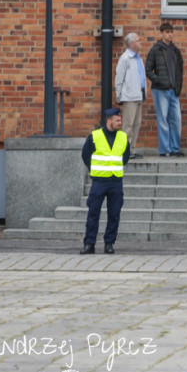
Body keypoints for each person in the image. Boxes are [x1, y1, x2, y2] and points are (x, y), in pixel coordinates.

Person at [80, 107, 131, 255]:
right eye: (117, 120)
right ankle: (89, 244)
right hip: (99, 181)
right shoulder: (95, 136)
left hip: (115, 181)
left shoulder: (122, 137)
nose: (120, 123)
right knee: (93, 213)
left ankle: (109, 243)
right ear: (109, 121)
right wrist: (94, 168)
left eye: (120, 120)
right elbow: (85, 154)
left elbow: (125, 156)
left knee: (114, 214)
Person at [145, 22, 184, 157]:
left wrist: (178, 86)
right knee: (163, 120)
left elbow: (179, 71)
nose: (170, 34)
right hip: (160, 90)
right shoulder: (155, 50)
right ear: (162, 33)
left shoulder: (175, 51)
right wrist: (159, 80)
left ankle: (175, 149)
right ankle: (164, 150)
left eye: (172, 32)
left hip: (174, 91)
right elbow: (148, 70)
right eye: (167, 32)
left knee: (176, 119)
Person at [114, 32, 146, 159]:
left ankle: (131, 150)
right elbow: (119, 78)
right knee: (128, 125)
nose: (141, 42)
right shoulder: (125, 58)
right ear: (132, 44)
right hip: (129, 96)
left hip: (139, 95)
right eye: (138, 40)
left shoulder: (138, 58)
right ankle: (125, 151)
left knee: (136, 124)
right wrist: (119, 95)